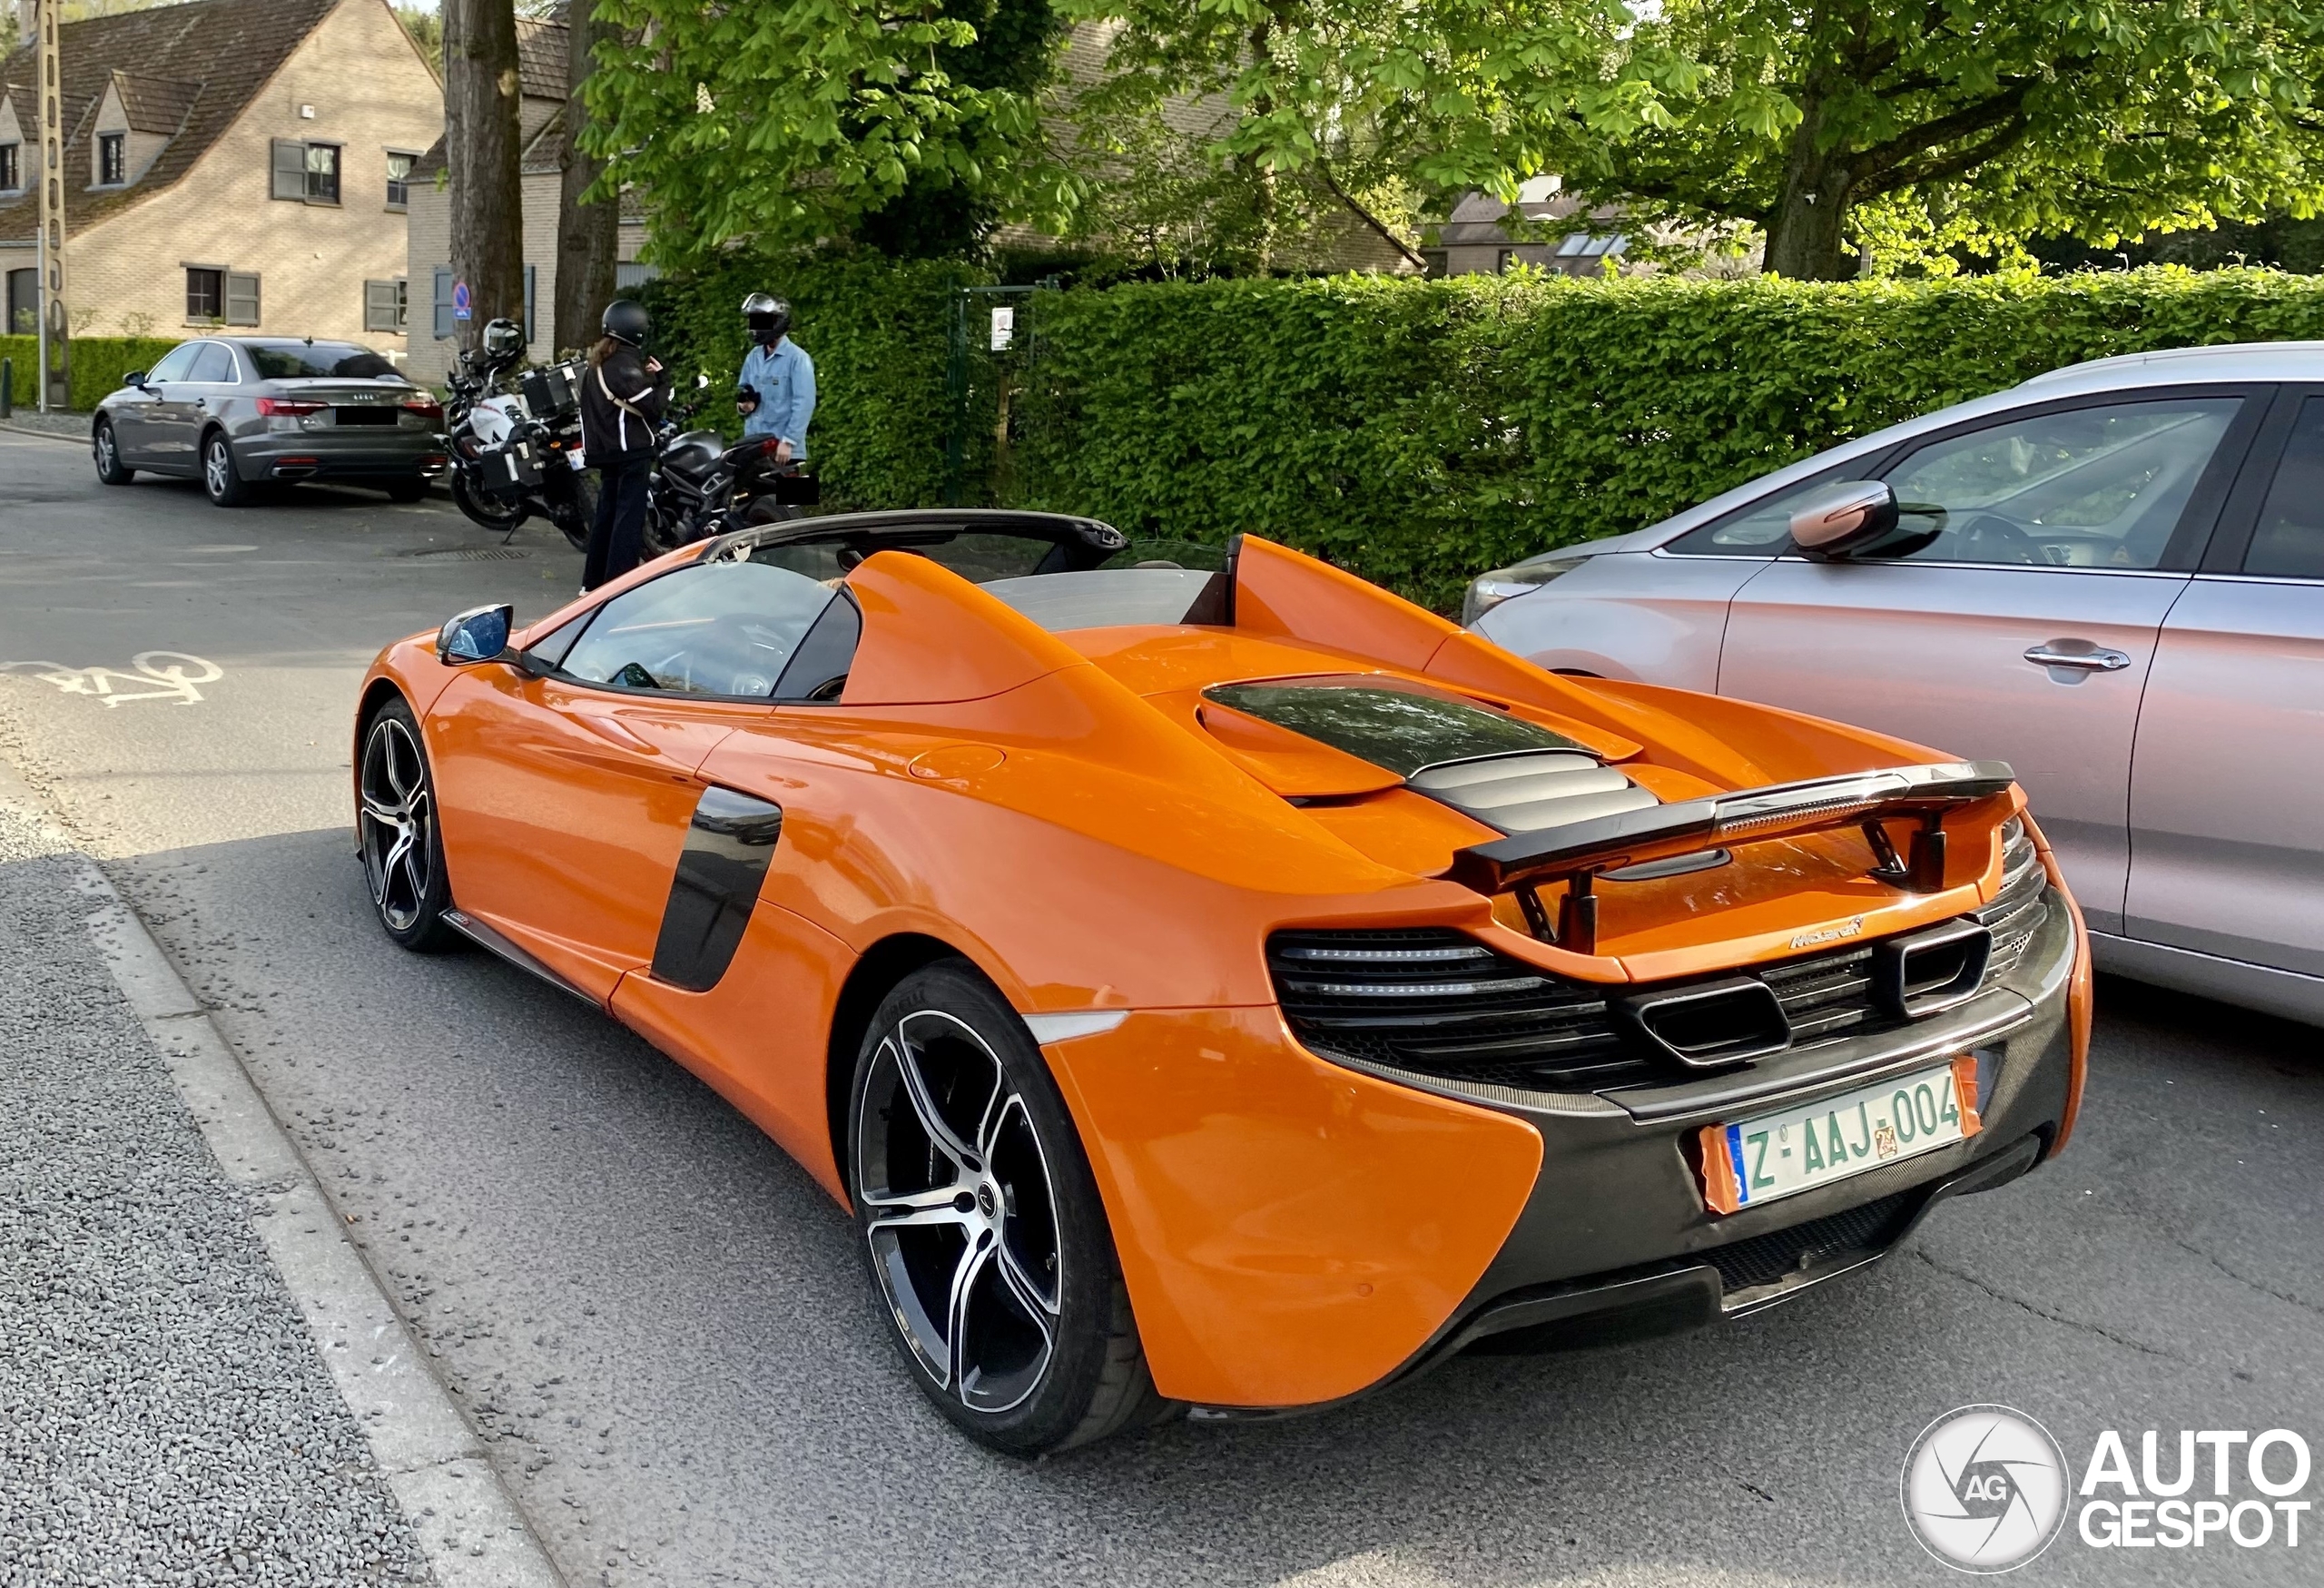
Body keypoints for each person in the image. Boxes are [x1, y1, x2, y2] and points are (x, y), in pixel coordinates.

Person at [578, 299, 670, 591]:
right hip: (631, 451)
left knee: (606, 517)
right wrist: (664, 380)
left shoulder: (597, 364)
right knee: (628, 522)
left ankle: (593, 584)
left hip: (606, 452)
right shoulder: (624, 365)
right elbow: (652, 406)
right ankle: (619, 587)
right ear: (637, 331)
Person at [734, 293, 815, 465]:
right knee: (753, 492)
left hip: (785, 450)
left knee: (795, 492)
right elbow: (744, 390)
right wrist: (744, 405)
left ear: (777, 322)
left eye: (760, 321)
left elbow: (805, 403)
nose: (755, 328)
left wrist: (788, 441)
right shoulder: (753, 357)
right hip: (755, 446)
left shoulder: (798, 358)